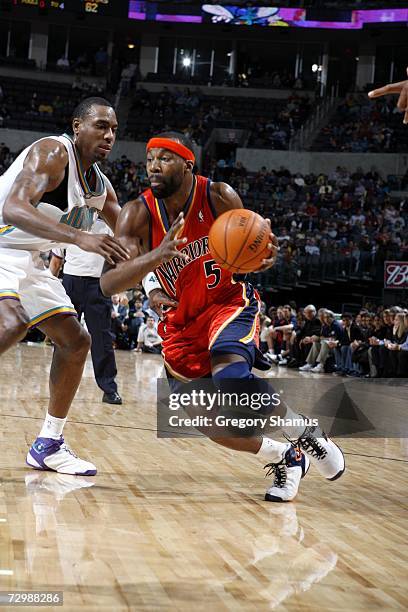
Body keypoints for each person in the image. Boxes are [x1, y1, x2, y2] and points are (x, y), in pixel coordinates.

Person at [100, 131, 345, 502]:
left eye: (165, 158)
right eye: (150, 159)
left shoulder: (218, 196)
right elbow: (108, 282)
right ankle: (286, 457)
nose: (153, 166)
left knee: (231, 379)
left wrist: (265, 257)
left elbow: (251, 248)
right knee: (207, 421)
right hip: (181, 323)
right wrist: (153, 269)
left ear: (187, 163)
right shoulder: (137, 213)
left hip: (226, 302)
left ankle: (305, 433)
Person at [0, 96, 130, 475]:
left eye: (114, 130)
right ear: (78, 126)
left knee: (76, 342)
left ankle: (48, 444)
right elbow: (13, 209)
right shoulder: (53, 153)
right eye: (101, 126)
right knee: (12, 322)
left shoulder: (100, 186)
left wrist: (175, 255)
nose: (109, 135)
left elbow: (131, 234)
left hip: (29, 259)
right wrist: (79, 237)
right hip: (1, 241)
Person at [49, 217, 122, 406]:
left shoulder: (110, 223)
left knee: (102, 339)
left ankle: (109, 388)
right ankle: (58, 386)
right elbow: (57, 260)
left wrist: (120, 289)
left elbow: (119, 260)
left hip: (98, 284)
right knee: (64, 339)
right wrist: (49, 286)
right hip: (70, 282)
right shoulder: (67, 219)